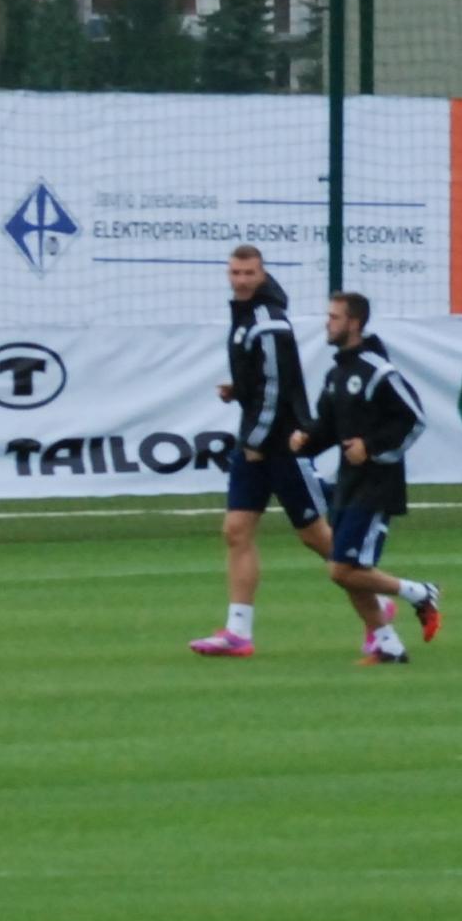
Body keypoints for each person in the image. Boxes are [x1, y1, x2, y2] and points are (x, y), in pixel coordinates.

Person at [189, 245, 336, 658]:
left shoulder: (268, 322)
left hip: (280, 445)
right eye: (235, 272)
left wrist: (255, 441)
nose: (240, 280)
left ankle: (378, 596)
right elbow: (263, 381)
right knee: (236, 531)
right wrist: (239, 389)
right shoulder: (246, 316)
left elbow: (277, 388)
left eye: (248, 273)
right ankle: (238, 632)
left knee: (317, 538)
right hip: (256, 440)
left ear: (262, 273)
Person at [291, 291, 445, 666]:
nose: (328, 323)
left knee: (342, 569)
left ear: (354, 323)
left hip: (376, 486)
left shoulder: (378, 371)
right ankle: (387, 644)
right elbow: (328, 427)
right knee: (349, 572)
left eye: (334, 317)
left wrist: (372, 449)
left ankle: (420, 593)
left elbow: (415, 419)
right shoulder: (336, 373)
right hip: (348, 484)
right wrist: (306, 440)